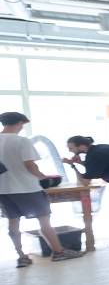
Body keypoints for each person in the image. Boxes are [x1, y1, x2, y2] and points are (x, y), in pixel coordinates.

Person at [0, 111, 84, 266]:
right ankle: (59, 251)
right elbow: (30, 164)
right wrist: (42, 178)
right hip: (27, 188)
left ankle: (22, 257)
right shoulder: (21, 141)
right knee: (44, 221)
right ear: (19, 123)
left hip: (4, 190)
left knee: (13, 223)